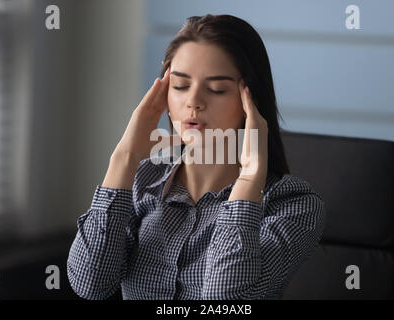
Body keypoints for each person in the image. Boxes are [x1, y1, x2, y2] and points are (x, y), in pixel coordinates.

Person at [67, 14, 326, 300]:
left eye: (216, 89)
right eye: (180, 86)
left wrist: (251, 177)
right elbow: (91, 285)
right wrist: (125, 157)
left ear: (250, 102)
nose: (194, 101)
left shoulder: (293, 205)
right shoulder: (143, 181)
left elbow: (225, 301)